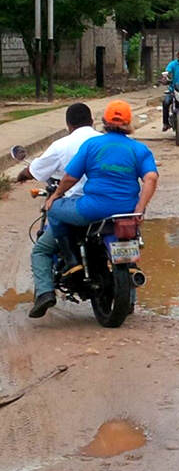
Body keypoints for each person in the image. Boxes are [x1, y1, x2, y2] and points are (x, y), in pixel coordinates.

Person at [32, 101, 159, 318]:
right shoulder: (139, 149)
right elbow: (151, 178)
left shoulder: (93, 145)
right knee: (128, 245)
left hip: (91, 210)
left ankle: (71, 261)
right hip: (125, 213)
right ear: (129, 123)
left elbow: (70, 177)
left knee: (53, 210)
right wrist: (139, 209)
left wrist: (54, 197)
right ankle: (130, 297)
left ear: (104, 122)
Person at [22, 104, 102, 318]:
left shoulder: (62, 145)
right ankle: (129, 298)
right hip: (108, 206)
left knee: (41, 249)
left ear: (68, 125)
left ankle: (46, 292)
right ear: (92, 121)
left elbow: (38, 169)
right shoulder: (105, 141)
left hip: (78, 206)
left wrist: (23, 174)